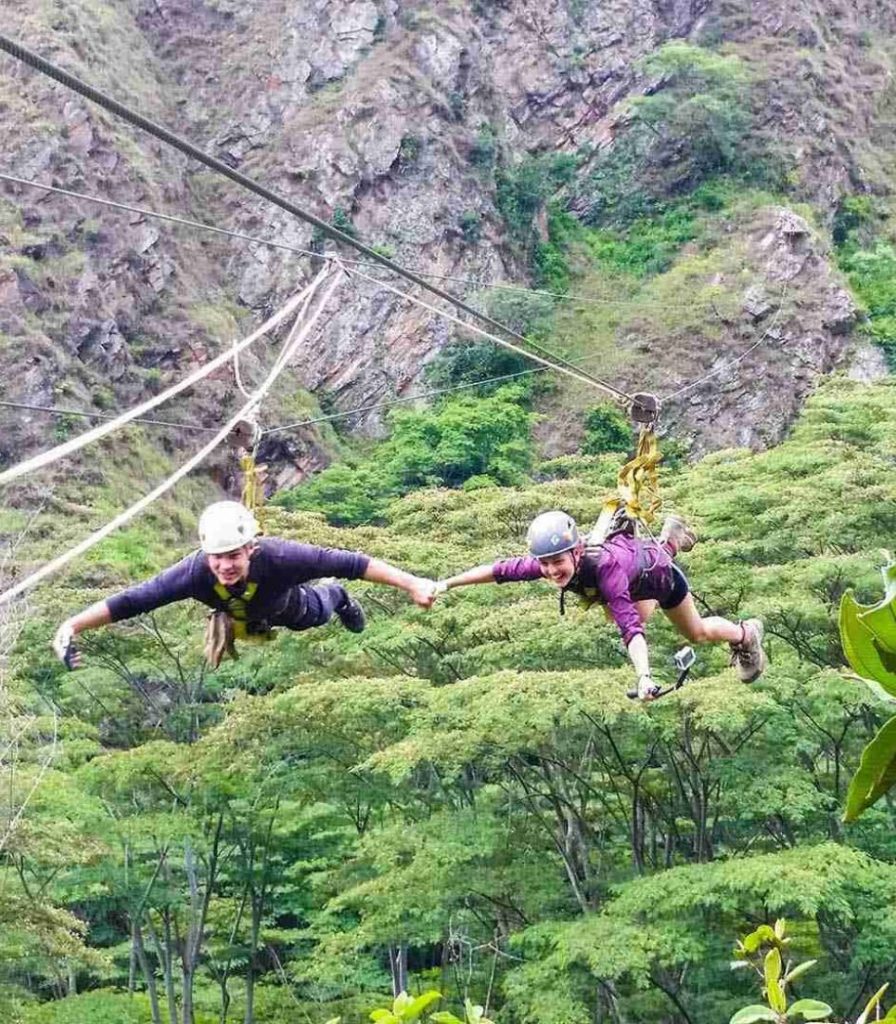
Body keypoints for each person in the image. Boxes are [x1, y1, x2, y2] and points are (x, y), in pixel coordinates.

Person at [52, 500, 437, 669]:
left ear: (251, 549)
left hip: (288, 606)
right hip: (238, 613)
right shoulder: (195, 572)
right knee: (241, 614)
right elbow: (134, 600)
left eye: (233, 556)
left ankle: (336, 597)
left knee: (315, 616)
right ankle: (243, 620)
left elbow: (351, 562)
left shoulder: (280, 558)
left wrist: (412, 584)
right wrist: (72, 626)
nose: (225, 566)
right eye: (217, 557)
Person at [431, 509, 766, 701]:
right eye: (544, 563)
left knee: (698, 633)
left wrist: (644, 677)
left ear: (577, 552)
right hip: (638, 571)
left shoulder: (605, 570)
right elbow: (499, 570)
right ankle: (670, 540)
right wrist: (445, 583)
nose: (550, 571)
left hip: (661, 581)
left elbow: (630, 629)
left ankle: (745, 634)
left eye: (556, 562)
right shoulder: (554, 564)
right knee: (618, 600)